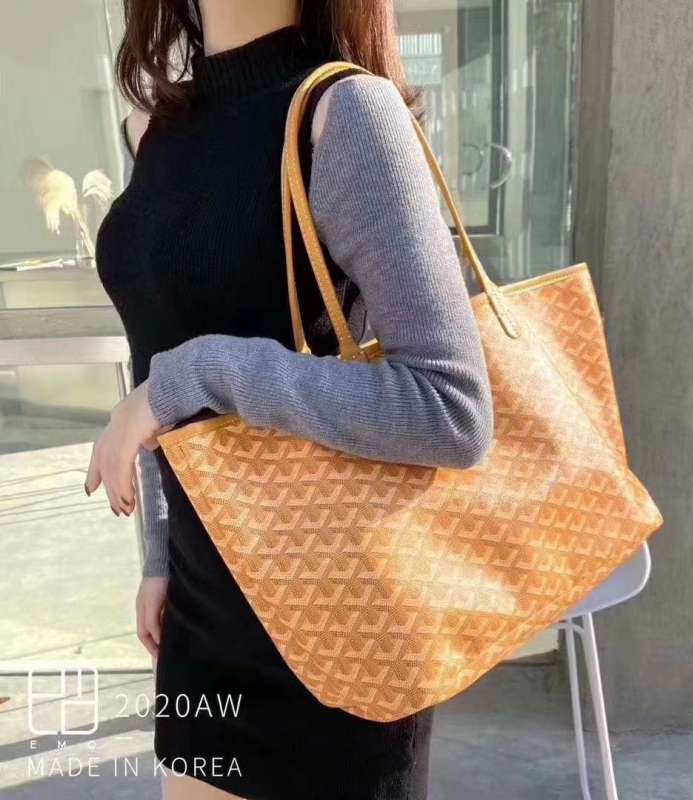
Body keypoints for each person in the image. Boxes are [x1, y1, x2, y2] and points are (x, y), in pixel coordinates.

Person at [87, 1, 494, 798]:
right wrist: (160, 557)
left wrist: (196, 375)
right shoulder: (155, 133)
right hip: (204, 614)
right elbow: (154, 355)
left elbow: (452, 408)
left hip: (340, 625)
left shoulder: (345, 113)